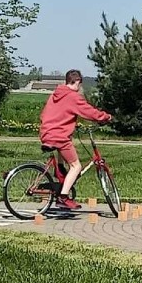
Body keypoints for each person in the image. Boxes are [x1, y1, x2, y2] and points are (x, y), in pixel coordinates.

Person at [39, 69, 112, 210]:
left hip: (47, 133)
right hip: (59, 135)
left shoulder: (56, 94)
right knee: (76, 166)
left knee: (64, 151)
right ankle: (63, 197)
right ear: (77, 82)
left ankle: (60, 170)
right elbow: (89, 112)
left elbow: (54, 113)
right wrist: (105, 117)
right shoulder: (73, 97)